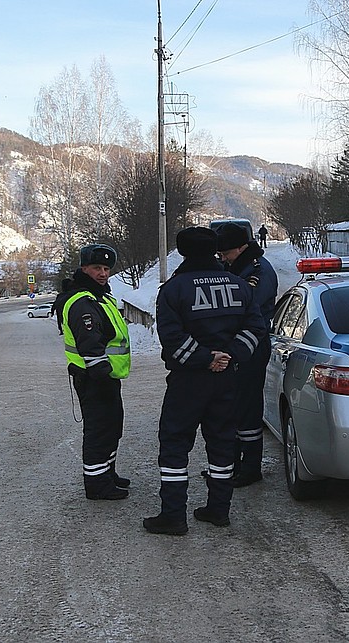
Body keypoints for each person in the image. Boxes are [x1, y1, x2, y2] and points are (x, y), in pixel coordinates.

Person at [143, 227, 266, 535]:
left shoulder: (173, 290)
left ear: (182, 252)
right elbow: (256, 327)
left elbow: (171, 338)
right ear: (213, 251)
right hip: (227, 377)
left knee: (174, 444)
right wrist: (231, 355)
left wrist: (203, 358)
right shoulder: (240, 285)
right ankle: (218, 509)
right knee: (223, 442)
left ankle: (173, 515)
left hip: (188, 380)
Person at [54, 243, 132, 501]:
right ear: (84, 268)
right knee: (100, 431)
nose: (103, 273)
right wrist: (102, 373)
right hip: (94, 377)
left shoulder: (99, 297)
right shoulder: (83, 301)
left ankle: (106, 473)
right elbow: (90, 344)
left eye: (107, 268)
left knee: (111, 428)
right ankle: (97, 484)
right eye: (97, 268)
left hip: (105, 377)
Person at [215, 221, 279, 488]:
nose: (223, 259)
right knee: (232, 407)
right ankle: (233, 465)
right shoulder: (239, 267)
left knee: (247, 407)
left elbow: (242, 308)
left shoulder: (257, 272)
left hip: (252, 344)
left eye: (226, 254)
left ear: (241, 248)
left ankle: (250, 467)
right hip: (238, 344)